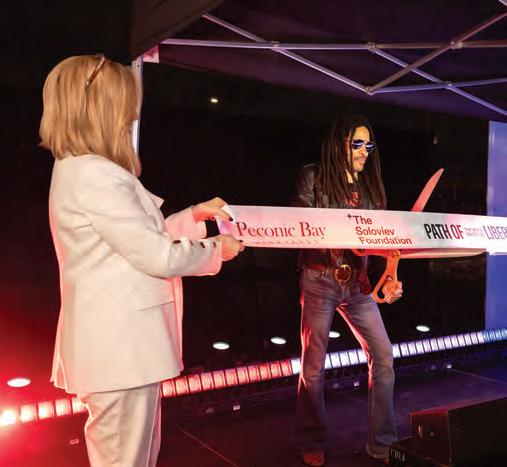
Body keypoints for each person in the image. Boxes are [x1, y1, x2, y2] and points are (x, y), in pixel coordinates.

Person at [39, 54, 244, 467]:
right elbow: (157, 255)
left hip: (120, 354)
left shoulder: (83, 169)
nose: (132, 115)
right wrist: (215, 251)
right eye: (124, 105)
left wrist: (194, 218)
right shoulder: (95, 174)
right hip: (120, 353)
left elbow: (136, 241)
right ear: (100, 108)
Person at [292, 115, 403, 466]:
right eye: (357, 143)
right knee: (313, 365)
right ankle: (310, 440)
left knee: (383, 355)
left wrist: (390, 277)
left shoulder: (371, 186)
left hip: (357, 284)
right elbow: (297, 226)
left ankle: (382, 445)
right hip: (320, 278)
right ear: (339, 144)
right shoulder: (313, 176)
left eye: (369, 144)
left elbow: (386, 241)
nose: (364, 151)